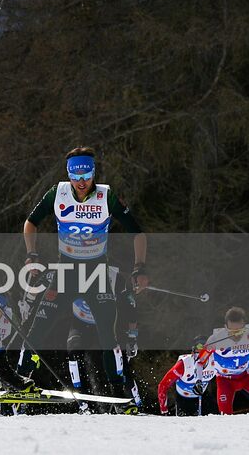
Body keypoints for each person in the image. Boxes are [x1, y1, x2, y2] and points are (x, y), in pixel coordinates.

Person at [21, 146, 147, 400]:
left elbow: (138, 232)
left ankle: (119, 393)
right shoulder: (57, 193)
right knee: (37, 331)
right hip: (66, 271)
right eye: (76, 176)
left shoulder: (106, 197)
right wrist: (32, 254)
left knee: (106, 336)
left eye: (86, 176)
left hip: (96, 273)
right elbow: (30, 222)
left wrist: (139, 268)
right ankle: (19, 382)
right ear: (69, 174)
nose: (81, 182)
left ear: (93, 173)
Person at [194, 306, 249, 414]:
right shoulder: (215, 340)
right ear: (225, 327)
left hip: (248, 376)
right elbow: (199, 362)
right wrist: (198, 380)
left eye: (239, 331)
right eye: (232, 332)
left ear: (244, 326)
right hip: (225, 380)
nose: (236, 335)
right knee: (225, 416)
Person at [157, 351, 207, 416]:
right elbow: (163, 384)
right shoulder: (182, 365)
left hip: (200, 398)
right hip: (182, 398)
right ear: (192, 354)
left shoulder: (213, 361)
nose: (201, 360)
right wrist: (163, 409)